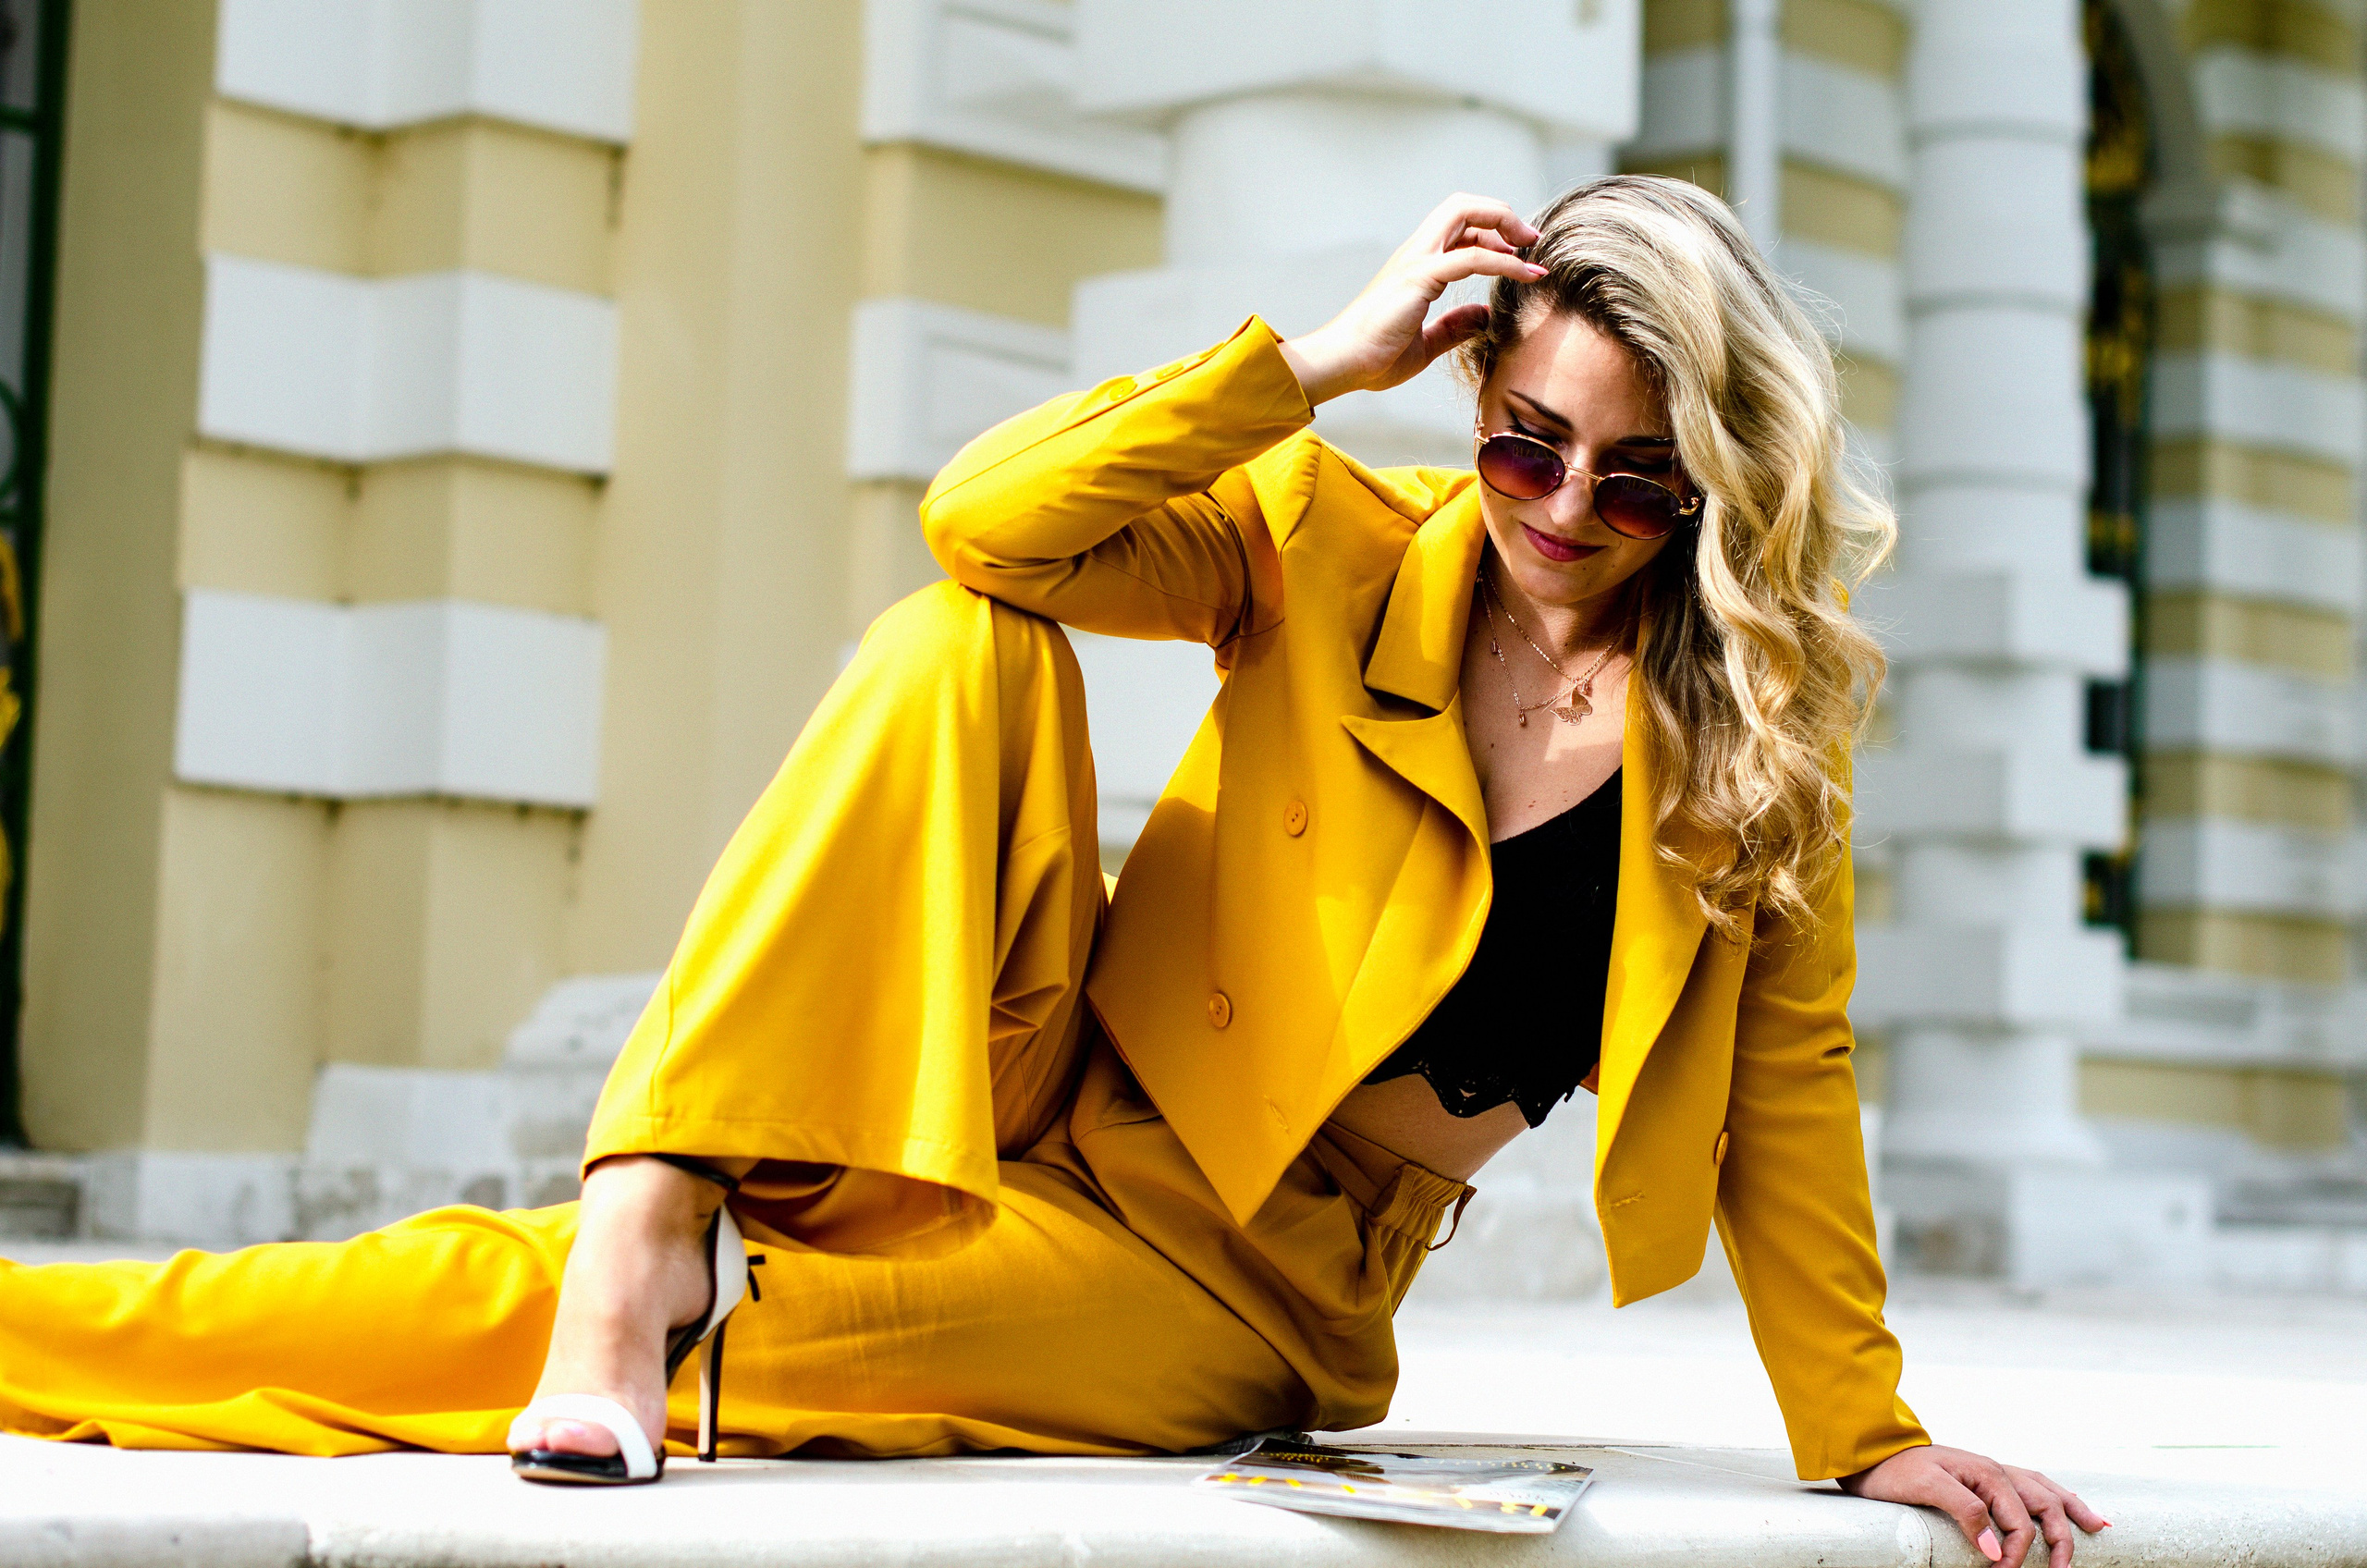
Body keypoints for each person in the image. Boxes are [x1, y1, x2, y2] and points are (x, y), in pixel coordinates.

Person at [1, 177, 2103, 1568]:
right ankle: (646, 1202)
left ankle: (66, 1327)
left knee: (580, 1315)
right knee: (955, 632)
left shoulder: (1753, 734)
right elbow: (985, 520)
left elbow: (1785, 1091)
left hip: (1229, 1284)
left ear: (1718, 481)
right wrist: (1307, 367)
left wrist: (1864, 1426)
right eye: (1522, 439)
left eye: (1637, 476)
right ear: (1471, 388)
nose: (1563, 503)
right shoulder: (1323, 524)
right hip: (1019, 1069)